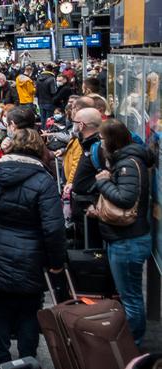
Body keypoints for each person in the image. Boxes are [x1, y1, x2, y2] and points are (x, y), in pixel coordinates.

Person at [0, 128, 66, 369]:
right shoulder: (43, 181)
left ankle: (1, 364)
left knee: (1, 311)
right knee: (29, 311)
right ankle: (27, 366)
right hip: (31, 253)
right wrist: (56, 262)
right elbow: (53, 227)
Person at [88, 119, 153, 346]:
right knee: (129, 294)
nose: (101, 144)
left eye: (103, 139)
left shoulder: (128, 164)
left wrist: (104, 182)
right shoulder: (126, 161)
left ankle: (132, 345)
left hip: (128, 241)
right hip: (125, 239)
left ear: (112, 141)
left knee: (131, 297)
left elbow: (125, 199)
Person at [71, 107, 104, 196]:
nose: (73, 126)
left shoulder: (100, 148)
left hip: (91, 206)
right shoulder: (87, 144)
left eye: (74, 123)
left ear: (81, 125)